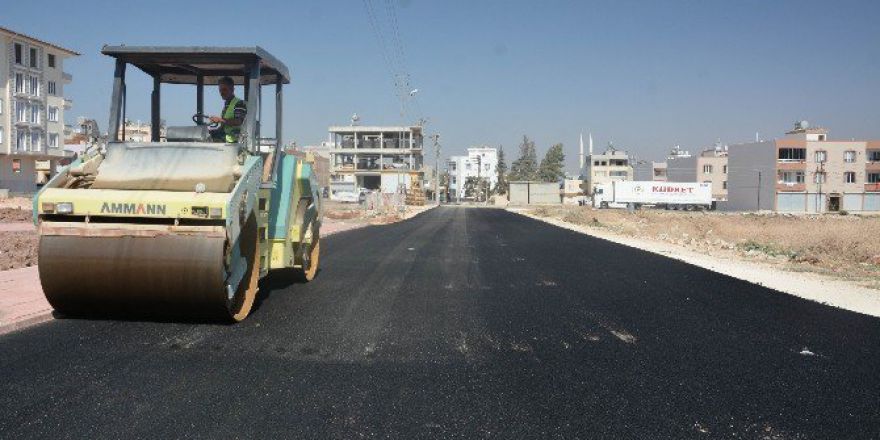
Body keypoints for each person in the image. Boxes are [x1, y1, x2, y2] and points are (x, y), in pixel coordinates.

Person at [209, 76, 247, 143]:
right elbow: (224, 127)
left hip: (234, 142)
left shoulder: (239, 103)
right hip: (225, 138)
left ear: (232, 89)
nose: (221, 93)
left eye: (224, 90)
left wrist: (220, 120)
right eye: (220, 90)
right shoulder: (227, 105)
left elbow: (239, 121)